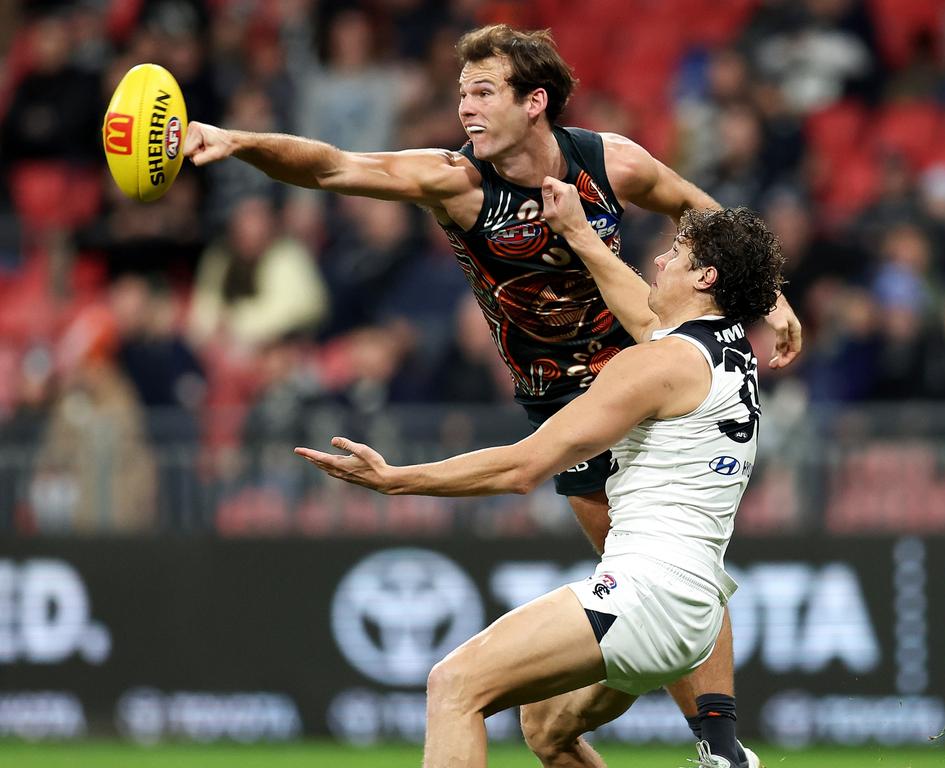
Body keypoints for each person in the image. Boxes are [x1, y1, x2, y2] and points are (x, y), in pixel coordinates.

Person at [184, 24, 801, 765]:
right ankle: (721, 743)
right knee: (562, 704)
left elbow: (705, 221)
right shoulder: (456, 181)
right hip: (570, 391)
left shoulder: (611, 163)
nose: (466, 109)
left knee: (636, 582)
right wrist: (241, 141)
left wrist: (766, 296)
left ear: (534, 101)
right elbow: (332, 167)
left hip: (644, 364)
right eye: (460, 94)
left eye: (484, 92)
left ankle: (720, 745)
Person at [295, 183, 785, 768]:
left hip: (644, 596)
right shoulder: (729, 351)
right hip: (697, 610)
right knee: (546, 727)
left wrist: (398, 478)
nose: (658, 260)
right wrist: (580, 235)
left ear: (705, 278)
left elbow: (524, 466)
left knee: (454, 686)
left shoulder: (655, 365)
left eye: (676, 253)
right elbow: (639, 305)